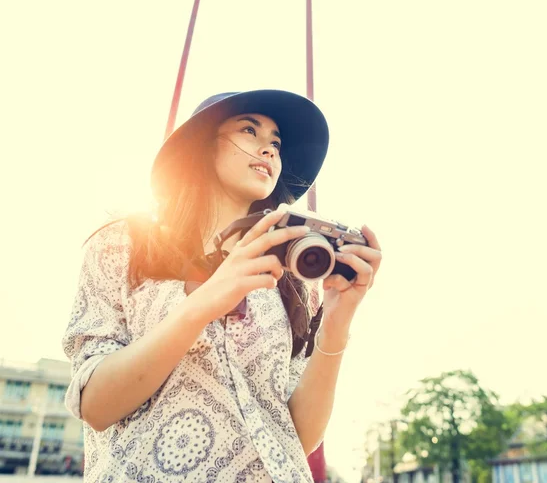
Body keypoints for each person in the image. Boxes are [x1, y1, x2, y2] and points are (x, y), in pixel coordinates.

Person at [62, 89, 382, 482]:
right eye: (250, 130)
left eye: (277, 144)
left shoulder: (293, 278)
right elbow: (96, 405)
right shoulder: (124, 244)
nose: (269, 150)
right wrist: (210, 298)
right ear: (203, 144)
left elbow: (295, 436)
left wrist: (336, 321)